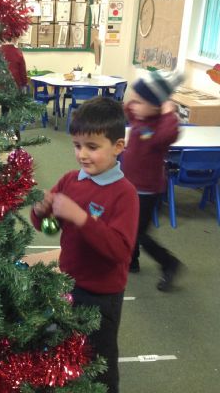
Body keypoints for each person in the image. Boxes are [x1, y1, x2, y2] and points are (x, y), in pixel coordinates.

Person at [30, 97, 139, 393]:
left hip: (102, 295)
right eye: (77, 146)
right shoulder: (70, 180)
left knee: (99, 359)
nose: (82, 155)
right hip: (68, 283)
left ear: (118, 146)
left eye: (92, 147)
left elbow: (120, 251)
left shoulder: (125, 193)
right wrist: (41, 210)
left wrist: (81, 217)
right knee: (63, 344)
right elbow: (45, 225)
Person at [121, 69, 185, 292]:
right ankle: (132, 261)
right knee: (129, 226)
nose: (134, 105)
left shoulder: (161, 127)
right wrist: (138, 97)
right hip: (131, 186)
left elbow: (169, 134)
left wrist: (168, 112)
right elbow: (128, 108)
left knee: (139, 233)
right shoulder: (140, 116)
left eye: (140, 102)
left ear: (156, 106)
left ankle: (169, 263)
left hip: (148, 190)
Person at [0, 38, 28, 141]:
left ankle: (3, 134)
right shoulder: (17, 52)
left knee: (4, 110)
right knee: (16, 112)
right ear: (14, 38)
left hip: (2, 86)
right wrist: (24, 84)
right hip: (16, 86)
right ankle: (17, 137)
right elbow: (23, 72)